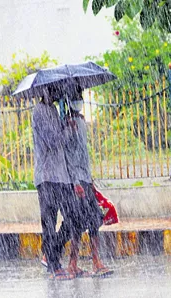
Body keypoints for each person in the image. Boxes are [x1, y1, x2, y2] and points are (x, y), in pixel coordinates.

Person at [63, 88, 113, 278]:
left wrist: (89, 180)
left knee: (93, 222)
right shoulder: (68, 125)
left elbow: (83, 154)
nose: (79, 102)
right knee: (78, 224)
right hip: (76, 181)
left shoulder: (81, 122)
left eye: (80, 98)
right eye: (75, 99)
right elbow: (69, 155)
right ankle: (75, 264)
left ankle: (94, 261)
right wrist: (76, 182)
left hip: (84, 178)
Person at [32, 87, 77, 281]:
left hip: (60, 176)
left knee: (74, 218)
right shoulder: (40, 111)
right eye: (57, 90)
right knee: (49, 222)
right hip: (47, 176)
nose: (60, 93)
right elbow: (52, 141)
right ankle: (53, 264)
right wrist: (67, 129)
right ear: (48, 90)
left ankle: (51, 252)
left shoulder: (53, 109)